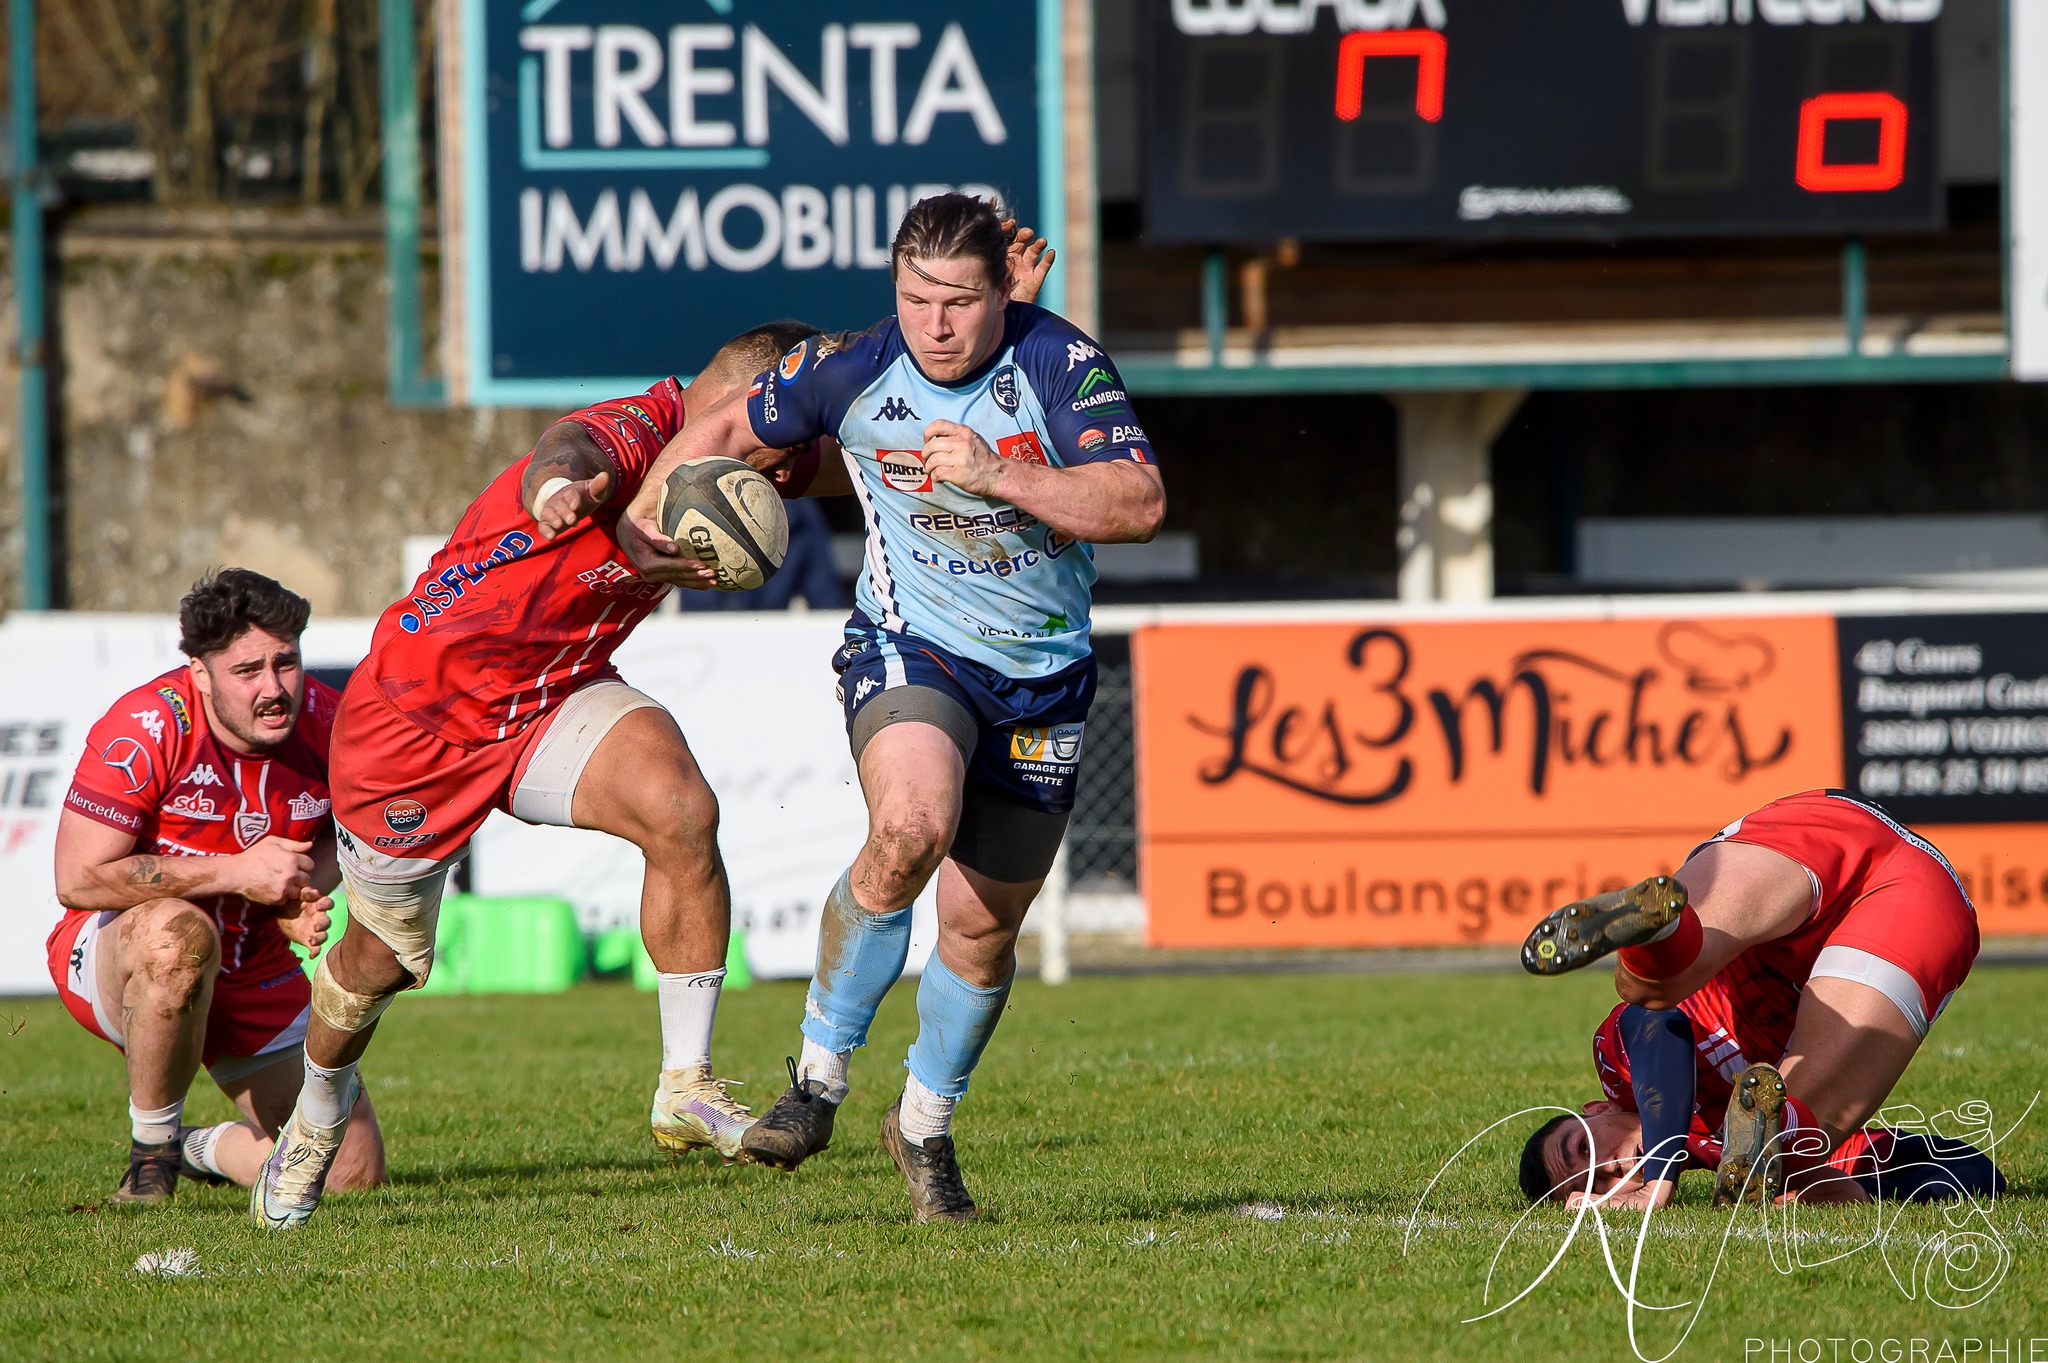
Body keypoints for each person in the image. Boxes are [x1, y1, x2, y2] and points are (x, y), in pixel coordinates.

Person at [617, 193, 1166, 1223]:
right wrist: (649, 508)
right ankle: (816, 1079)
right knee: (910, 828)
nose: (935, 325)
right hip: (912, 647)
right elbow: (727, 420)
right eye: (917, 299)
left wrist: (999, 473)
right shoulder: (854, 366)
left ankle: (922, 1124)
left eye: (959, 301)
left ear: (1002, 294)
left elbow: (1138, 502)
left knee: (980, 930)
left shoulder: (1061, 363)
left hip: (1041, 675)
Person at [249, 322, 824, 1230]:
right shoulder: (637, 431)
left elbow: (873, 452)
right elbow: (568, 449)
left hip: (552, 694)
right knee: (377, 961)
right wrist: (559, 487)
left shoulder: (757, 450)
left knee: (680, 807)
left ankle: (685, 1082)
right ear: (741, 400)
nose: (788, 472)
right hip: (417, 718)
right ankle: (315, 1122)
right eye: (785, 439)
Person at [48, 569, 386, 1204]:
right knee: (179, 937)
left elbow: (354, 830)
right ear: (200, 674)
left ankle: (199, 1148)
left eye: (286, 663)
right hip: (123, 953)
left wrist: (297, 891)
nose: (274, 688)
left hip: (254, 961)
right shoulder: (146, 726)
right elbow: (78, 878)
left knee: (350, 1178)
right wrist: (237, 873)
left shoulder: (333, 723)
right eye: (247, 671)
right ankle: (152, 1156)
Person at [1516, 789, 1999, 1208]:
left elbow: (1658, 1029)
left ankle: (1655, 935)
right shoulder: (1723, 1153)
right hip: (1920, 902)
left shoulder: (1619, 1067)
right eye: (1599, 1185)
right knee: (1796, 1146)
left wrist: (1660, 1181)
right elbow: (1970, 1170)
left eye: (1582, 1149)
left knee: (1647, 991)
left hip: (1812, 841)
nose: (1608, 1167)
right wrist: (1842, 1192)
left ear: (1596, 1110)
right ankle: (1775, 1130)